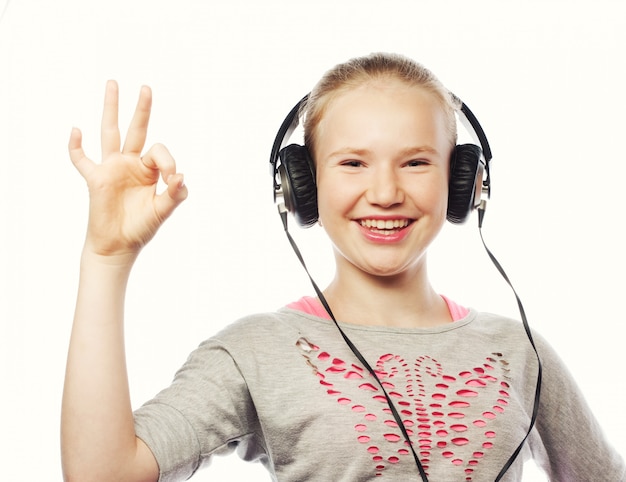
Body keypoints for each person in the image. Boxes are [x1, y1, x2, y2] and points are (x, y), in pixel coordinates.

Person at [61, 53, 625, 482]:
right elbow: (103, 474)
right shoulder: (256, 350)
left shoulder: (519, 350)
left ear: (464, 183)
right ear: (302, 187)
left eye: (416, 162)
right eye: (353, 163)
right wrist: (106, 258)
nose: (385, 191)